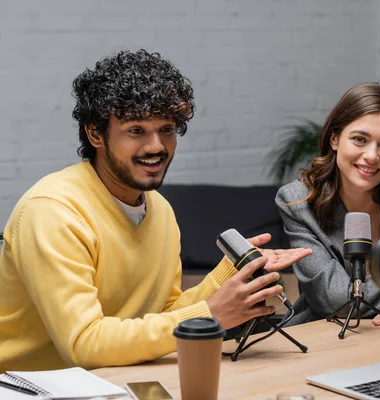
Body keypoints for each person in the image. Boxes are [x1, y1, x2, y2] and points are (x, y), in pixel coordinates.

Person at [0, 49, 311, 372]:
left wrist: (231, 272)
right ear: (95, 134)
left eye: (166, 129)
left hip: (115, 378)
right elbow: (85, 344)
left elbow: (163, 314)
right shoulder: (53, 212)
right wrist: (211, 313)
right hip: (30, 386)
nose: (156, 147)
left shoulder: (159, 209)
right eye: (136, 130)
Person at [276, 82, 380, 327]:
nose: (371, 155)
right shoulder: (299, 203)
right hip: (320, 339)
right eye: (359, 139)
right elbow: (335, 300)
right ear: (334, 139)